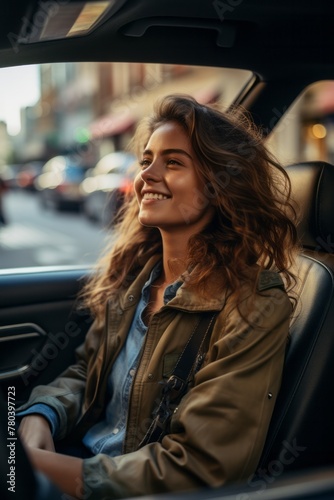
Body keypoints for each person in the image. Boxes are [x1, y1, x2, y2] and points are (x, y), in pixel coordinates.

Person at [18, 94, 299, 499]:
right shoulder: (136, 280)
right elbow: (87, 373)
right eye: (147, 159)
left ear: (220, 184)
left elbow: (201, 468)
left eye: (173, 162)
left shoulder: (253, 306)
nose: (147, 173)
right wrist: (41, 415)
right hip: (80, 464)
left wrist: (41, 468)